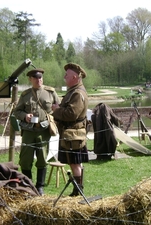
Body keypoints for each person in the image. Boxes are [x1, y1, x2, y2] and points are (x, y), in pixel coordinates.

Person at [13, 68, 60, 196]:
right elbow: (16, 111)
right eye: (35, 78)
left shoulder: (50, 92)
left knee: (42, 159)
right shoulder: (25, 94)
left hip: (43, 130)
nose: (38, 80)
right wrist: (24, 116)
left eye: (40, 77)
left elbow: (59, 108)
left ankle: (40, 187)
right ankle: (28, 185)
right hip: (28, 131)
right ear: (30, 79)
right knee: (25, 160)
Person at [52, 62, 89, 197]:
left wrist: (57, 110)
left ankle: (78, 191)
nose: (64, 77)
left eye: (67, 75)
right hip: (70, 134)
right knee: (74, 163)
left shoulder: (77, 93)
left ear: (74, 77)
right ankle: (77, 190)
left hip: (73, 135)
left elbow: (71, 114)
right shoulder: (73, 92)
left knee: (74, 163)